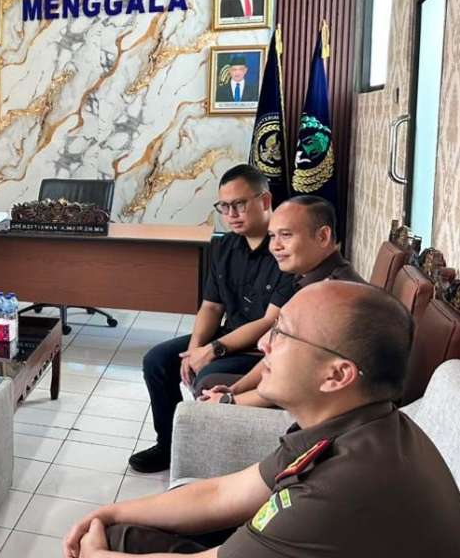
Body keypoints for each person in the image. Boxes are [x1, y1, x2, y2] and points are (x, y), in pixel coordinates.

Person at [63, 281, 460, 557]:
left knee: (115, 543)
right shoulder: (352, 426)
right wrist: (108, 512)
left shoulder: (344, 486)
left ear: (336, 375)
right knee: (121, 532)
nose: (262, 343)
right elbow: (223, 494)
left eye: (283, 334)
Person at [130, 164, 296, 473]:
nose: (231, 214)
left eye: (239, 204)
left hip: (263, 347)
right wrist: (194, 349)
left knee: (208, 373)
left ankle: (208, 457)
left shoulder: (284, 247)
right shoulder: (225, 246)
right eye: (224, 206)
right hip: (230, 335)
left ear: (264, 200)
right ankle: (168, 445)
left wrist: (213, 350)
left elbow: (268, 323)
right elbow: (211, 307)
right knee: (157, 360)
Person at [200, 196, 364, 408]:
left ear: (323, 236)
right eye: (272, 236)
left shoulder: (331, 296)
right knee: (209, 385)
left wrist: (229, 400)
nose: (274, 246)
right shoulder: (306, 280)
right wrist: (234, 389)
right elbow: (277, 353)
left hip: (322, 404)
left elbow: (298, 381)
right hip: (294, 382)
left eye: (286, 235)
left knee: (208, 391)